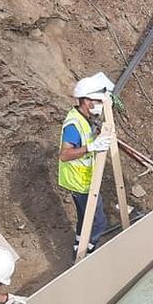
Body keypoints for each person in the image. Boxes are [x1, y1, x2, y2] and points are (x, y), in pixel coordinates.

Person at [58, 73, 114, 258]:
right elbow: (64, 155)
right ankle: (86, 252)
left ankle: (78, 245)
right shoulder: (74, 126)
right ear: (86, 101)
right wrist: (91, 146)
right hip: (79, 182)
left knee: (84, 217)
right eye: (97, 101)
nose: (99, 105)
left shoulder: (84, 118)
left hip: (84, 179)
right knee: (98, 222)